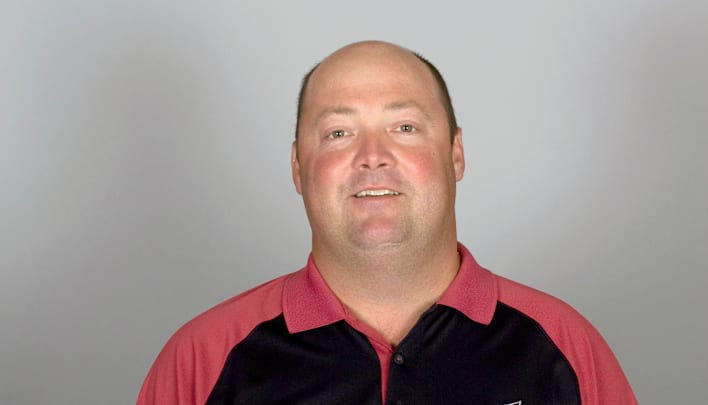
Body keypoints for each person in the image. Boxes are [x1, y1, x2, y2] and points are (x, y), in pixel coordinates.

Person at [137, 41, 637, 405]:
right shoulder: (201, 360)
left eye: (404, 127)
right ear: (297, 168)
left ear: (455, 155)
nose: (372, 156)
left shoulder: (565, 347)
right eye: (338, 132)